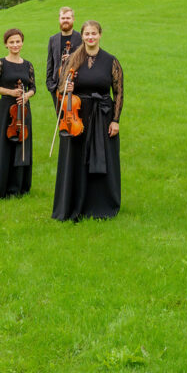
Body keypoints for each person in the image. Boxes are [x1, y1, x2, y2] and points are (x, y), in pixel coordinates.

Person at [52, 20, 124, 222]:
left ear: (100, 34)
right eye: (87, 34)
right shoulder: (73, 59)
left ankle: (101, 205)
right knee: (75, 159)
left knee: (102, 158)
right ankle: (74, 204)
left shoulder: (111, 61)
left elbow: (118, 93)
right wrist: (67, 89)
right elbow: (60, 88)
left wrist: (115, 120)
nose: (90, 37)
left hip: (102, 115)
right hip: (76, 116)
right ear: (81, 36)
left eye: (94, 33)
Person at [0, 28, 35, 198]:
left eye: (18, 41)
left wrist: (26, 95)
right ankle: (2, 186)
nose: (15, 45)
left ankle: (19, 186)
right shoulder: (1, 63)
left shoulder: (28, 65)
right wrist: (10, 92)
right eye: (11, 42)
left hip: (24, 109)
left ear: (22, 43)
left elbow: (33, 87)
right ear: (6, 44)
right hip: (7, 109)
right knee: (5, 145)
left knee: (22, 145)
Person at [46, 7, 82, 112]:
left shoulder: (81, 38)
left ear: (73, 19)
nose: (65, 20)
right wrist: (50, 85)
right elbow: (50, 64)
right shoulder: (53, 39)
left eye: (68, 18)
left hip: (76, 87)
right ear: (59, 19)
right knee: (61, 120)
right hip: (57, 88)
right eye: (63, 18)